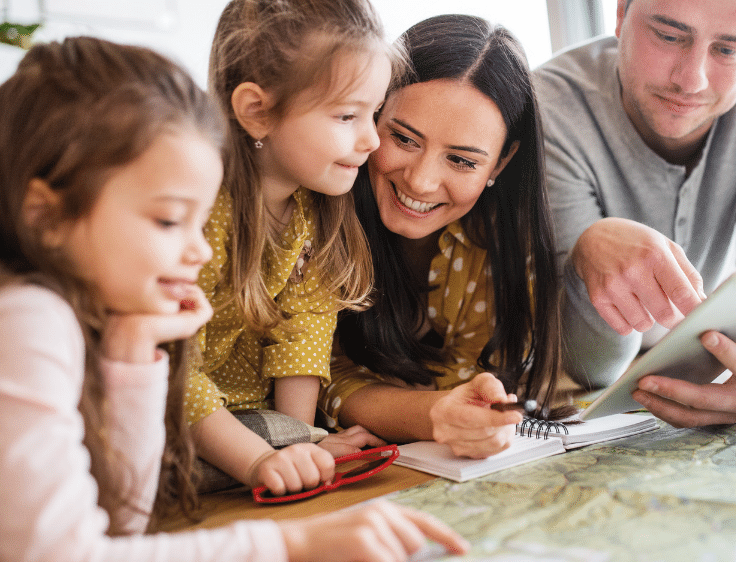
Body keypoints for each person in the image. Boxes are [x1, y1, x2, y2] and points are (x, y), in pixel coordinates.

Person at [0, 36, 468, 562]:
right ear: (46, 215)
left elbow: (123, 523)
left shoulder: (90, 323)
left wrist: (136, 353)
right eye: (170, 220)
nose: (199, 250)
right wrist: (290, 544)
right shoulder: (26, 320)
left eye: (200, 223)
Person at [534, 0, 736, 427]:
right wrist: (587, 250)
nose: (691, 80)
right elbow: (589, 366)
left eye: (728, 50)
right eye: (669, 36)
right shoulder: (547, 107)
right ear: (620, 14)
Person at [319, 14, 566, 459]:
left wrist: (462, 412)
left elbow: (471, 383)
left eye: (462, 161)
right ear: (372, 111)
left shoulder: (505, 241)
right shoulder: (318, 213)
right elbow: (322, 380)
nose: (421, 181)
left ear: (502, 163)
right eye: (404, 138)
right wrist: (436, 413)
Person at [185, 0, 401, 495]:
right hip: (168, 403)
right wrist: (263, 458)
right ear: (258, 113)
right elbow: (170, 371)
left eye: (375, 113)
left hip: (249, 418)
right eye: (348, 115)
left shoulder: (315, 207)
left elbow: (303, 335)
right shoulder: (199, 210)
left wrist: (303, 444)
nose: (372, 140)